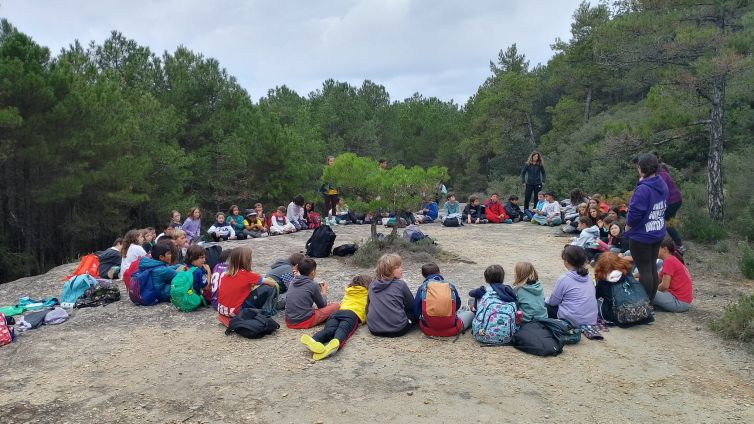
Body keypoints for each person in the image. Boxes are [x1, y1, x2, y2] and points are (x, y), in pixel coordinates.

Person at [625, 153, 668, 301]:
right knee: (651, 269)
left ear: (640, 168)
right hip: (657, 231)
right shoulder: (661, 183)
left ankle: (643, 304)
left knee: (644, 270)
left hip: (641, 235)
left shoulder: (643, 189)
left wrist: (627, 227)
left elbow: (635, 213)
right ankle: (650, 302)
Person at [300, 275, 371, 360]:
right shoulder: (368, 293)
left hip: (336, 313)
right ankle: (335, 343)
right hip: (352, 314)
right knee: (343, 330)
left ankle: (314, 340)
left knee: (328, 330)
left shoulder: (349, 291)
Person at [216, 247, 278, 321]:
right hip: (235, 312)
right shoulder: (247, 275)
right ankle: (267, 311)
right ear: (247, 260)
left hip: (222, 310)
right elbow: (272, 283)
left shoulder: (226, 274)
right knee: (267, 288)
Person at [413, 263, 474, 336]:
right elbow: (457, 305)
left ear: (423, 275)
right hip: (451, 326)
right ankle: (466, 310)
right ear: (439, 272)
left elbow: (416, 310)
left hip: (428, 327)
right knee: (470, 314)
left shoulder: (423, 287)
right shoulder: (450, 286)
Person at [594, 252, 654, 325]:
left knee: (596, 302)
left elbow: (596, 295)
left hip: (622, 317)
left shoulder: (603, 279)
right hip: (643, 311)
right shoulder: (626, 271)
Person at [366, 254, 416, 337]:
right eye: (397, 267)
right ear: (388, 270)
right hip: (397, 330)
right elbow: (411, 305)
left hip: (373, 329)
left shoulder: (372, 284)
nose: (401, 269)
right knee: (412, 314)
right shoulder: (401, 284)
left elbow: (368, 305)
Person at [546, 245, 597, 326]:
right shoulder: (588, 278)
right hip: (591, 319)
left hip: (571, 321)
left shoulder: (564, 278)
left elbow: (553, 302)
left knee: (544, 304)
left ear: (566, 262)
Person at [285, 258, 340, 329]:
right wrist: (324, 292)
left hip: (289, 320)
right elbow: (322, 305)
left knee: (312, 307)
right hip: (304, 321)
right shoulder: (313, 285)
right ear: (313, 272)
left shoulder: (293, 281)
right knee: (336, 305)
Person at [654, 237, 692, 312]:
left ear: (664, 249)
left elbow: (664, 285)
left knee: (646, 291)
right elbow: (656, 278)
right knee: (647, 288)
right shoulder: (672, 259)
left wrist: (652, 290)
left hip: (678, 302)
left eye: (656, 248)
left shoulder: (669, 261)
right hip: (683, 301)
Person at [657, 157, 685, 252]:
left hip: (672, 201)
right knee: (669, 223)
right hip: (676, 200)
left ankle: (677, 245)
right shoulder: (663, 172)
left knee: (665, 222)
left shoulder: (661, 175)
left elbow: (664, 191)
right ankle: (677, 244)